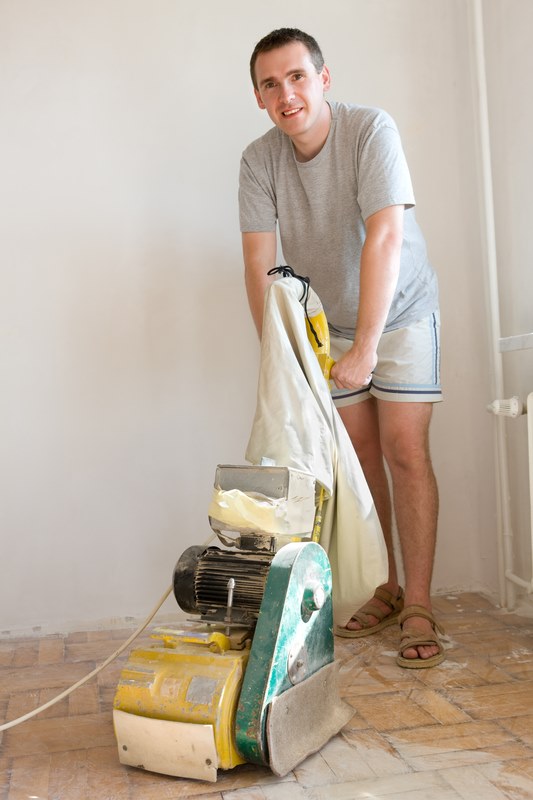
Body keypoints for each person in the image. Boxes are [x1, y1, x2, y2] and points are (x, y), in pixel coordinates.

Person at [239, 28, 444, 668]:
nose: (286, 93)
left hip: (402, 314)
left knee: (403, 450)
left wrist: (370, 347)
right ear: (259, 96)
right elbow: (257, 265)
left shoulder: (369, 131)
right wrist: (285, 359)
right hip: (329, 324)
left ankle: (420, 601)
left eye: (297, 76)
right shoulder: (258, 160)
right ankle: (384, 586)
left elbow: (384, 239)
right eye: (271, 83)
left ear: (323, 79)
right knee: (357, 459)